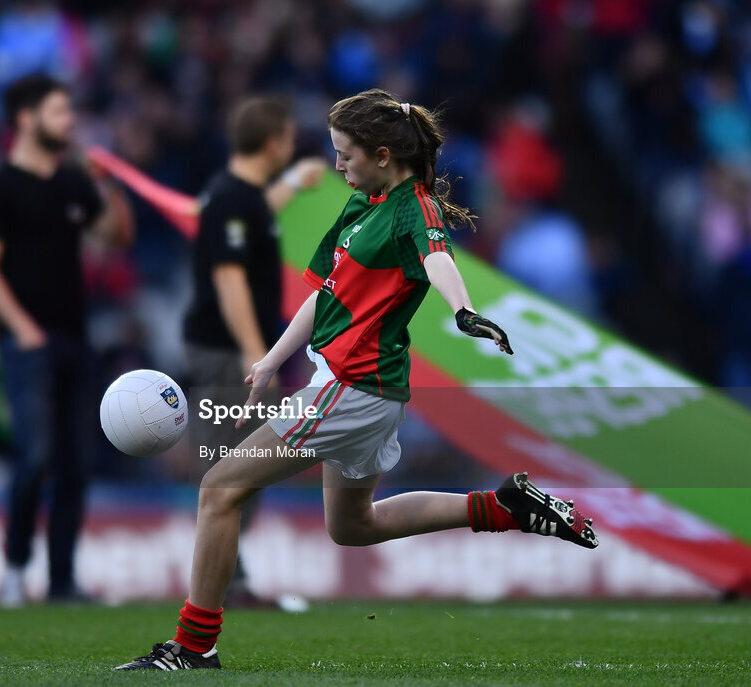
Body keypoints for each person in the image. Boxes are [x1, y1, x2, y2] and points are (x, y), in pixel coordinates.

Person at [116, 89, 599, 671]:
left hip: (352, 387)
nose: (338, 165)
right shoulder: (362, 204)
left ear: (382, 153)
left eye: (345, 154)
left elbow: (438, 258)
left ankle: (192, 647)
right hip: (367, 390)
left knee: (219, 489)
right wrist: (271, 360)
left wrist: (462, 310)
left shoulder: (413, 208)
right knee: (354, 526)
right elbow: (323, 294)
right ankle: (505, 507)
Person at [0, 74, 132, 605]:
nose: (70, 122)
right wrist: (22, 329)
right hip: (28, 346)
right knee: (34, 457)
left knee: (76, 466)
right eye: (59, 112)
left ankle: (62, 581)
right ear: (25, 118)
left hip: (76, 342)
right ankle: (15, 572)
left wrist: (106, 182)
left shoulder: (72, 184)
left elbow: (116, 236)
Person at [182, 95, 324, 607]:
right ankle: (228, 586)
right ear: (272, 142)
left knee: (241, 472)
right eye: (287, 137)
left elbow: (255, 216)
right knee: (230, 472)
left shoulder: (239, 199)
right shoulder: (228, 200)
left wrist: (290, 184)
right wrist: (251, 351)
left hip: (235, 351)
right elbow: (229, 276)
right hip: (228, 353)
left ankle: (232, 580)